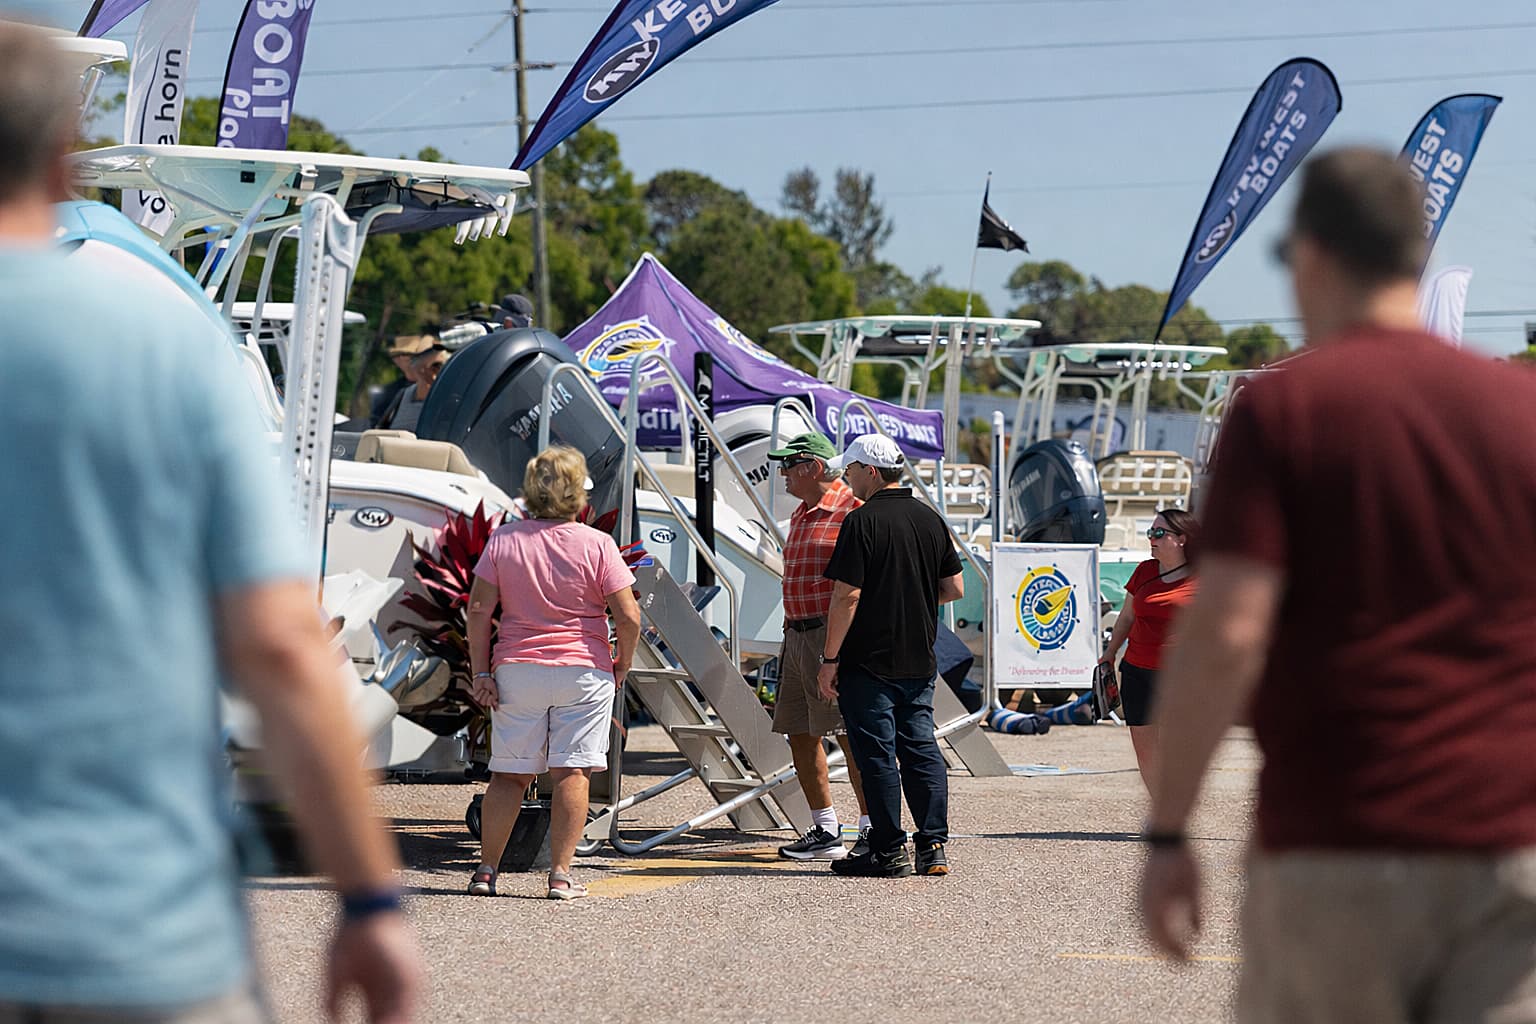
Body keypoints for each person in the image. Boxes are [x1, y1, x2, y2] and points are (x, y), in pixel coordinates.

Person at [0, 22, 418, 1024]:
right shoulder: (165, 334)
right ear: (64, 157)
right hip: (133, 929)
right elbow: (277, 648)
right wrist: (367, 896)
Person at [1140, 146, 1536, 1022]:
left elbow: (1230, 633)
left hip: (1343, 838)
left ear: (1310, 253)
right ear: (1415, 255)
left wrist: (1169, 830)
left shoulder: (1286, 411)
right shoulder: (1522, 411)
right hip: (1512, 846)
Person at [465, 445, 642, 899]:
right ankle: (560, 875)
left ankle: (486, 871)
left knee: (508, 775)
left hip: (518, 668)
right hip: (583, 669)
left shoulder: (505, 541)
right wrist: (622, 661)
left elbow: (479, 610)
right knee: (572, 773)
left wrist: (480, 672)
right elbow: (629, 616)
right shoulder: (597, 544)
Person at [817, 434, 964, 878]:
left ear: (872, 472)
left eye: (851, 470)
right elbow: (954, 588)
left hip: (869, 660)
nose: (846, 478)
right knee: (921, 749)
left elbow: (847, 596)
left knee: (876, 754)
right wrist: (909, 599)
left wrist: (828, 659)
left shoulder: (861, 522)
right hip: (919, 657)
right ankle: (933, 845)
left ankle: (887, 848)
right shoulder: (930, 519)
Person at [765, 432, 870, 861]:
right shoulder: (803, 512)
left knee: (851, 736)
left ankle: (870, 828)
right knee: (799, 732)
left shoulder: (853, 510)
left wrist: (837, 650)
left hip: (833, 635)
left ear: (810, 466)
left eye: (788, 466)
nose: (783, 474)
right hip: (797, 633)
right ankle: (826, 830)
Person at [1097, 508, 1198, 791]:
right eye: (1149, 533)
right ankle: (1162, 814)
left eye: (1158, 533)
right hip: (1137, 670)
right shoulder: (1144, 570)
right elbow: (1127, 617)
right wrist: (1110, 653)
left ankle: (1176, 808)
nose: (1151, 539)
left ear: (1182, 539)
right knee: (1146, 750)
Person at [376, 339, 445, 434]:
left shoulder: (449, 400)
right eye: (435, 366)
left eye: (439, 367)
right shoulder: (401, 395)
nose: (433, 373)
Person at [368, 334, 432, 427]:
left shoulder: (438, 387)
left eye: (417, 355)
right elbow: (377, 427)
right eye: (407, 355)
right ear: (397, 360)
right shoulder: (388, 393)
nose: (411, 360)